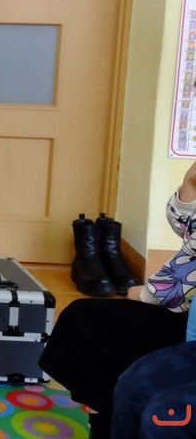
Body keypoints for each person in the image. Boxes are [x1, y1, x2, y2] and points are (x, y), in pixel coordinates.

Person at [39, 159, 196, 438]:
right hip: (184, 313)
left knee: (150, 394)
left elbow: (184, 279)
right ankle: (106, 418)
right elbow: (188, 229)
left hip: (182, 316)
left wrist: (146, 294)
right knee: (81, 318)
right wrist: (191, 181)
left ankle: (111, 419)